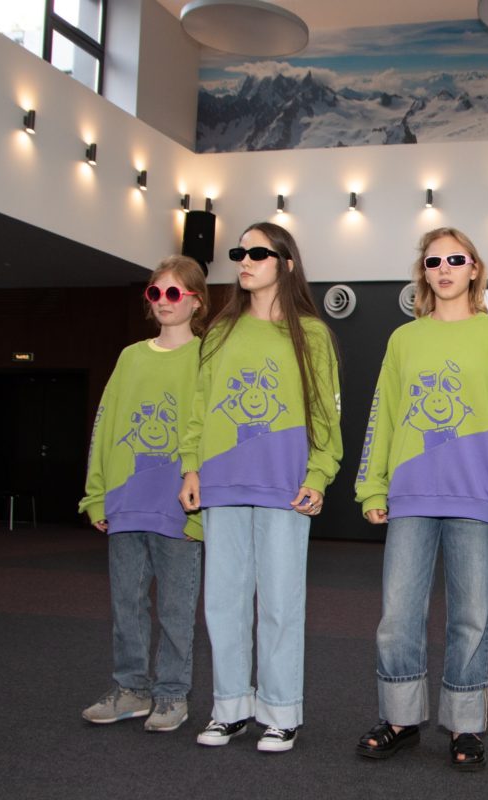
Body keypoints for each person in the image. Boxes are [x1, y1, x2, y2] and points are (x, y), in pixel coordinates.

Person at [354, 227, 488, 771]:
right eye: (434, 262)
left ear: (475, 268)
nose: (445, 269)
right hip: (410, 495)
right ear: (424, 273)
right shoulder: (403, 340)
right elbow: (384, 415)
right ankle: (399, 720)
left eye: (456, 260)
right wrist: (371, 484)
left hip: (477, 496)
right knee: (397, 616)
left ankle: (466, 726)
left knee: (472, 618)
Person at [178, 223, 342, 753]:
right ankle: (229, 708)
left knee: (279, 604)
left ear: (285, 264)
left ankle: (280, 712)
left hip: (284, 486)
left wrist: (319, 473)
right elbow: (198, 407)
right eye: (239, 252)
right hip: (221, 482)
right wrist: (190, 467)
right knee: (223, 603)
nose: (244, 261)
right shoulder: (220, 332)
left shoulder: (311, 333)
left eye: (257, 252)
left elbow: (325, 413)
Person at [78, 255, 209, 733]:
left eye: (174, 293)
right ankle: (130, 689)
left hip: (178, 505)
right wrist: (96, 495)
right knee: (126, 605)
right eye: (155, 293)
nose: (163, 302)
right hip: (126, 501)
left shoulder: (208, 357)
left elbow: (211, 433)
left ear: (197, 301)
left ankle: (172, 694)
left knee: (176, 608)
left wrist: (203, 505)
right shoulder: (130, 357)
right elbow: (105, 426)